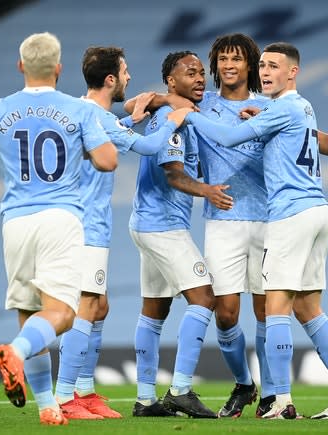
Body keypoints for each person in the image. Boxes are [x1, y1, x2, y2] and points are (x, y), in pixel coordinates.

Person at [128, 33, 328, 419]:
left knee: (268, 311)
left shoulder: (269, 105)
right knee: (226, 312)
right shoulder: (203, 101)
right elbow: (152, 103)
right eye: (223, 59)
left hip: (269, 218)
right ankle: (246, 383)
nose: (229, 65)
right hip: (223, 221)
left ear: (250, 65)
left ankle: (274, 397)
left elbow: (317, 139)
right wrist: (153, 97)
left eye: (238, 59)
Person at [0, 32, 118, 426]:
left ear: (21, 66)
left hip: (16, 221)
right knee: (62, 314)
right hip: (60, 218)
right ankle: (16, 354)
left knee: (29, 312)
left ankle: (47, 407)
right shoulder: (78, 110)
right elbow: (107, 161)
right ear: (58, 69)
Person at [53, 46, 193, 420]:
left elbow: (109, 133)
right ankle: (66, 397)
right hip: (85, 225)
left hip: (84, 223)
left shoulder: (83, 111)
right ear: (111, 78)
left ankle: (84, 391)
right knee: (86, 307)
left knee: (99, 306)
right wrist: (172, 120)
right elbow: (149, 146)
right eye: (125, 71)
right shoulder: (97, 115)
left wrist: (129, 120)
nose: (130, 78)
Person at [129, 51, 233, 419]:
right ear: (171, 82)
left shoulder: (185, 114)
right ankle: (180, 390)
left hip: (148, 223)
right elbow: (173, 172)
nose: (201, 78)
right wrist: (207, 190)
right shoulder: (170, 120)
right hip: (163, 227)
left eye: (202, 72)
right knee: (205, 298)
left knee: (154, 310)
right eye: (191, 73)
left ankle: (144, 399)